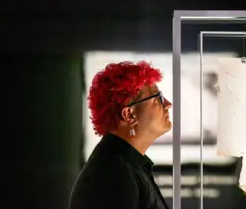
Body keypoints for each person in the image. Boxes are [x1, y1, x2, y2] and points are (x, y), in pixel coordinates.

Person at [69, 61, 172, 209]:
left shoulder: (124, 167)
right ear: (129, 115)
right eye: (157, 98)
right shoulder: (113, 175)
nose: (168, 104)